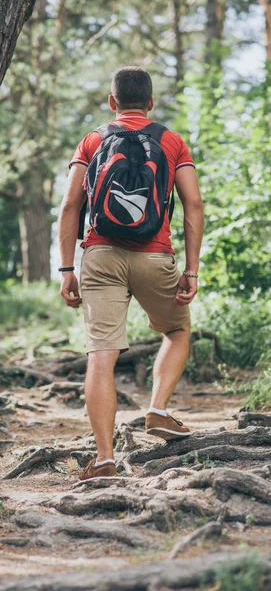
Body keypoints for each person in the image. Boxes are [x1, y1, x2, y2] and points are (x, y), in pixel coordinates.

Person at [58, 66, 204, 481]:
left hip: (100, 255)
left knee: (101, 357)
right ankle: (156, 410)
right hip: (155, 255)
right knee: (176, 333)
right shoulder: (172, 141)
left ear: (112, 102)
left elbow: (71, 205)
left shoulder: (93, 140)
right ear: (151, 103)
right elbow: (192, 204)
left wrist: (67, 268)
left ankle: (104, 459)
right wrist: (191, 270)